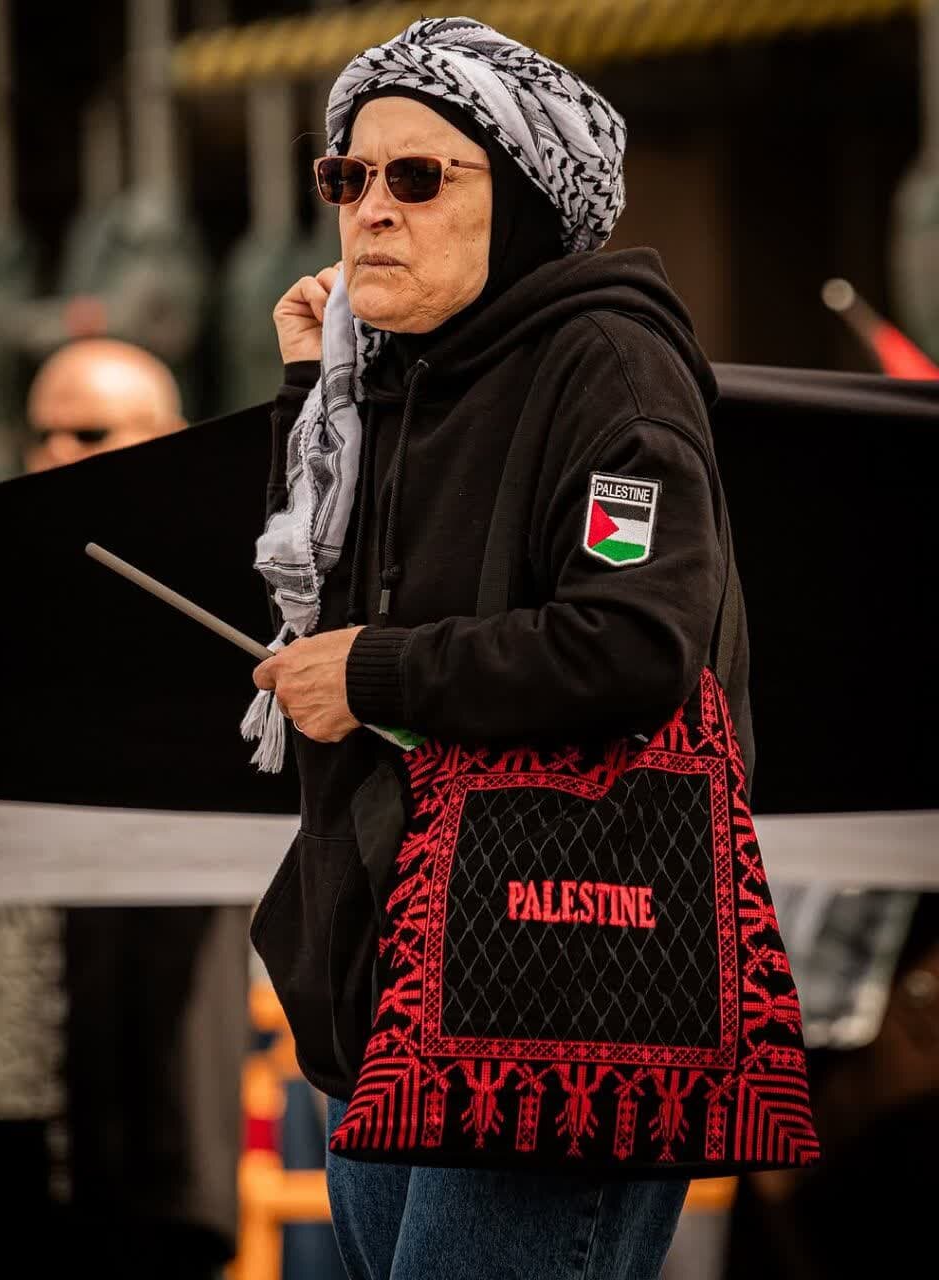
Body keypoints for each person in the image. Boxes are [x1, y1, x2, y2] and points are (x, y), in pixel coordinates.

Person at [246, 17, 752, 1280]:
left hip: (551, 996)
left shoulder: (608, 367)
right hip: (392, 993)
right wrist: (315, 392)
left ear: (521, 199)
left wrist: (374, 672)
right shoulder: (397, 381)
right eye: (347, 175)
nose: (370, 209)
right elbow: (318, 610)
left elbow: (632, 639)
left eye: (418, 177)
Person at [0, 339, 248, 1280]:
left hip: (146, 1064)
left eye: (92, 433)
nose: (60, 453)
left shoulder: (224, 586)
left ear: (168, 437)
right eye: (45, 433)